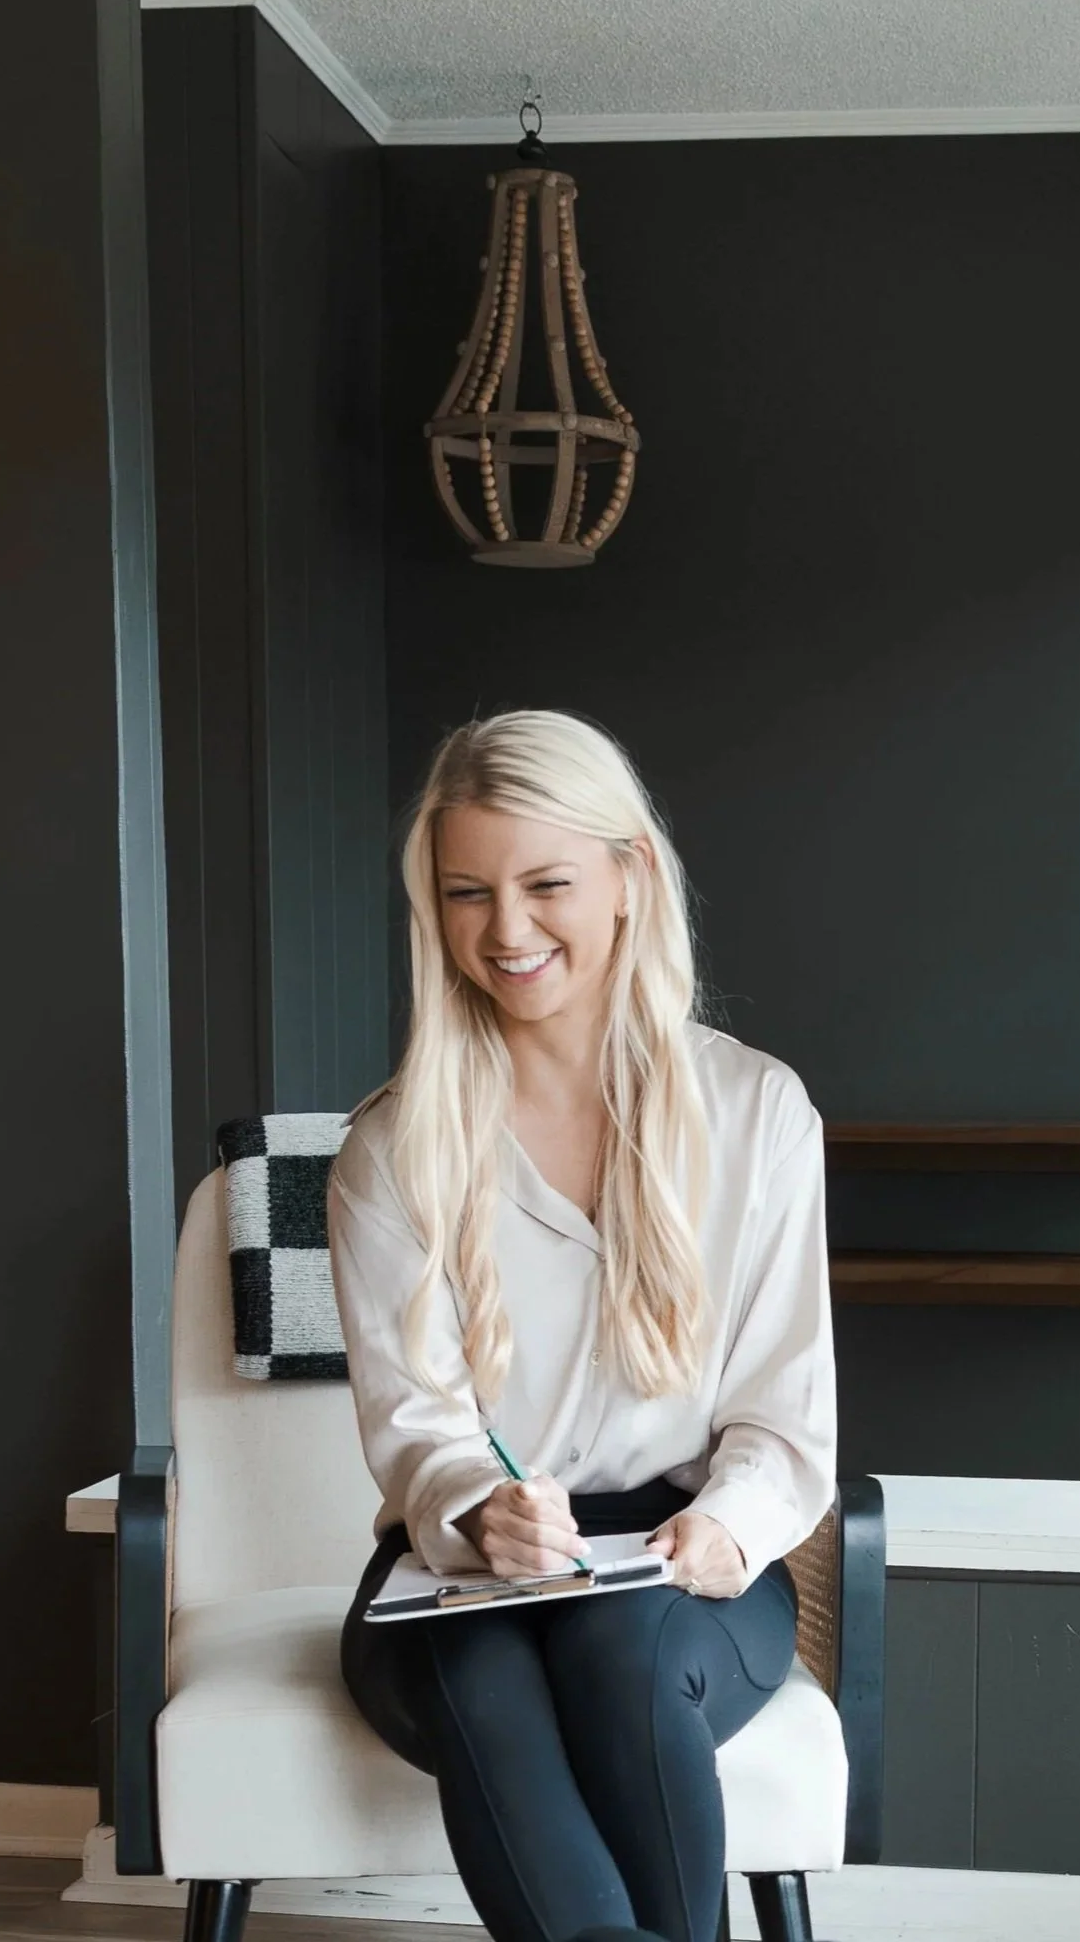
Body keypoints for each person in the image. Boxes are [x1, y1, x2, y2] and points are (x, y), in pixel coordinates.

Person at [328, 710, 836, 1942]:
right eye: (466, 891)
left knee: (622, 1649)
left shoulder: (755, 1111)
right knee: (490, 1684)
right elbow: (418, 1428)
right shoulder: (390, 1149)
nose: (506, 929)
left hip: (683, 1563)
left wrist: (727, 1527)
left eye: (545, 881)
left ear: (629, 878)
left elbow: (783, 1408)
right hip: (464, 1575)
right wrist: (477, 1507)